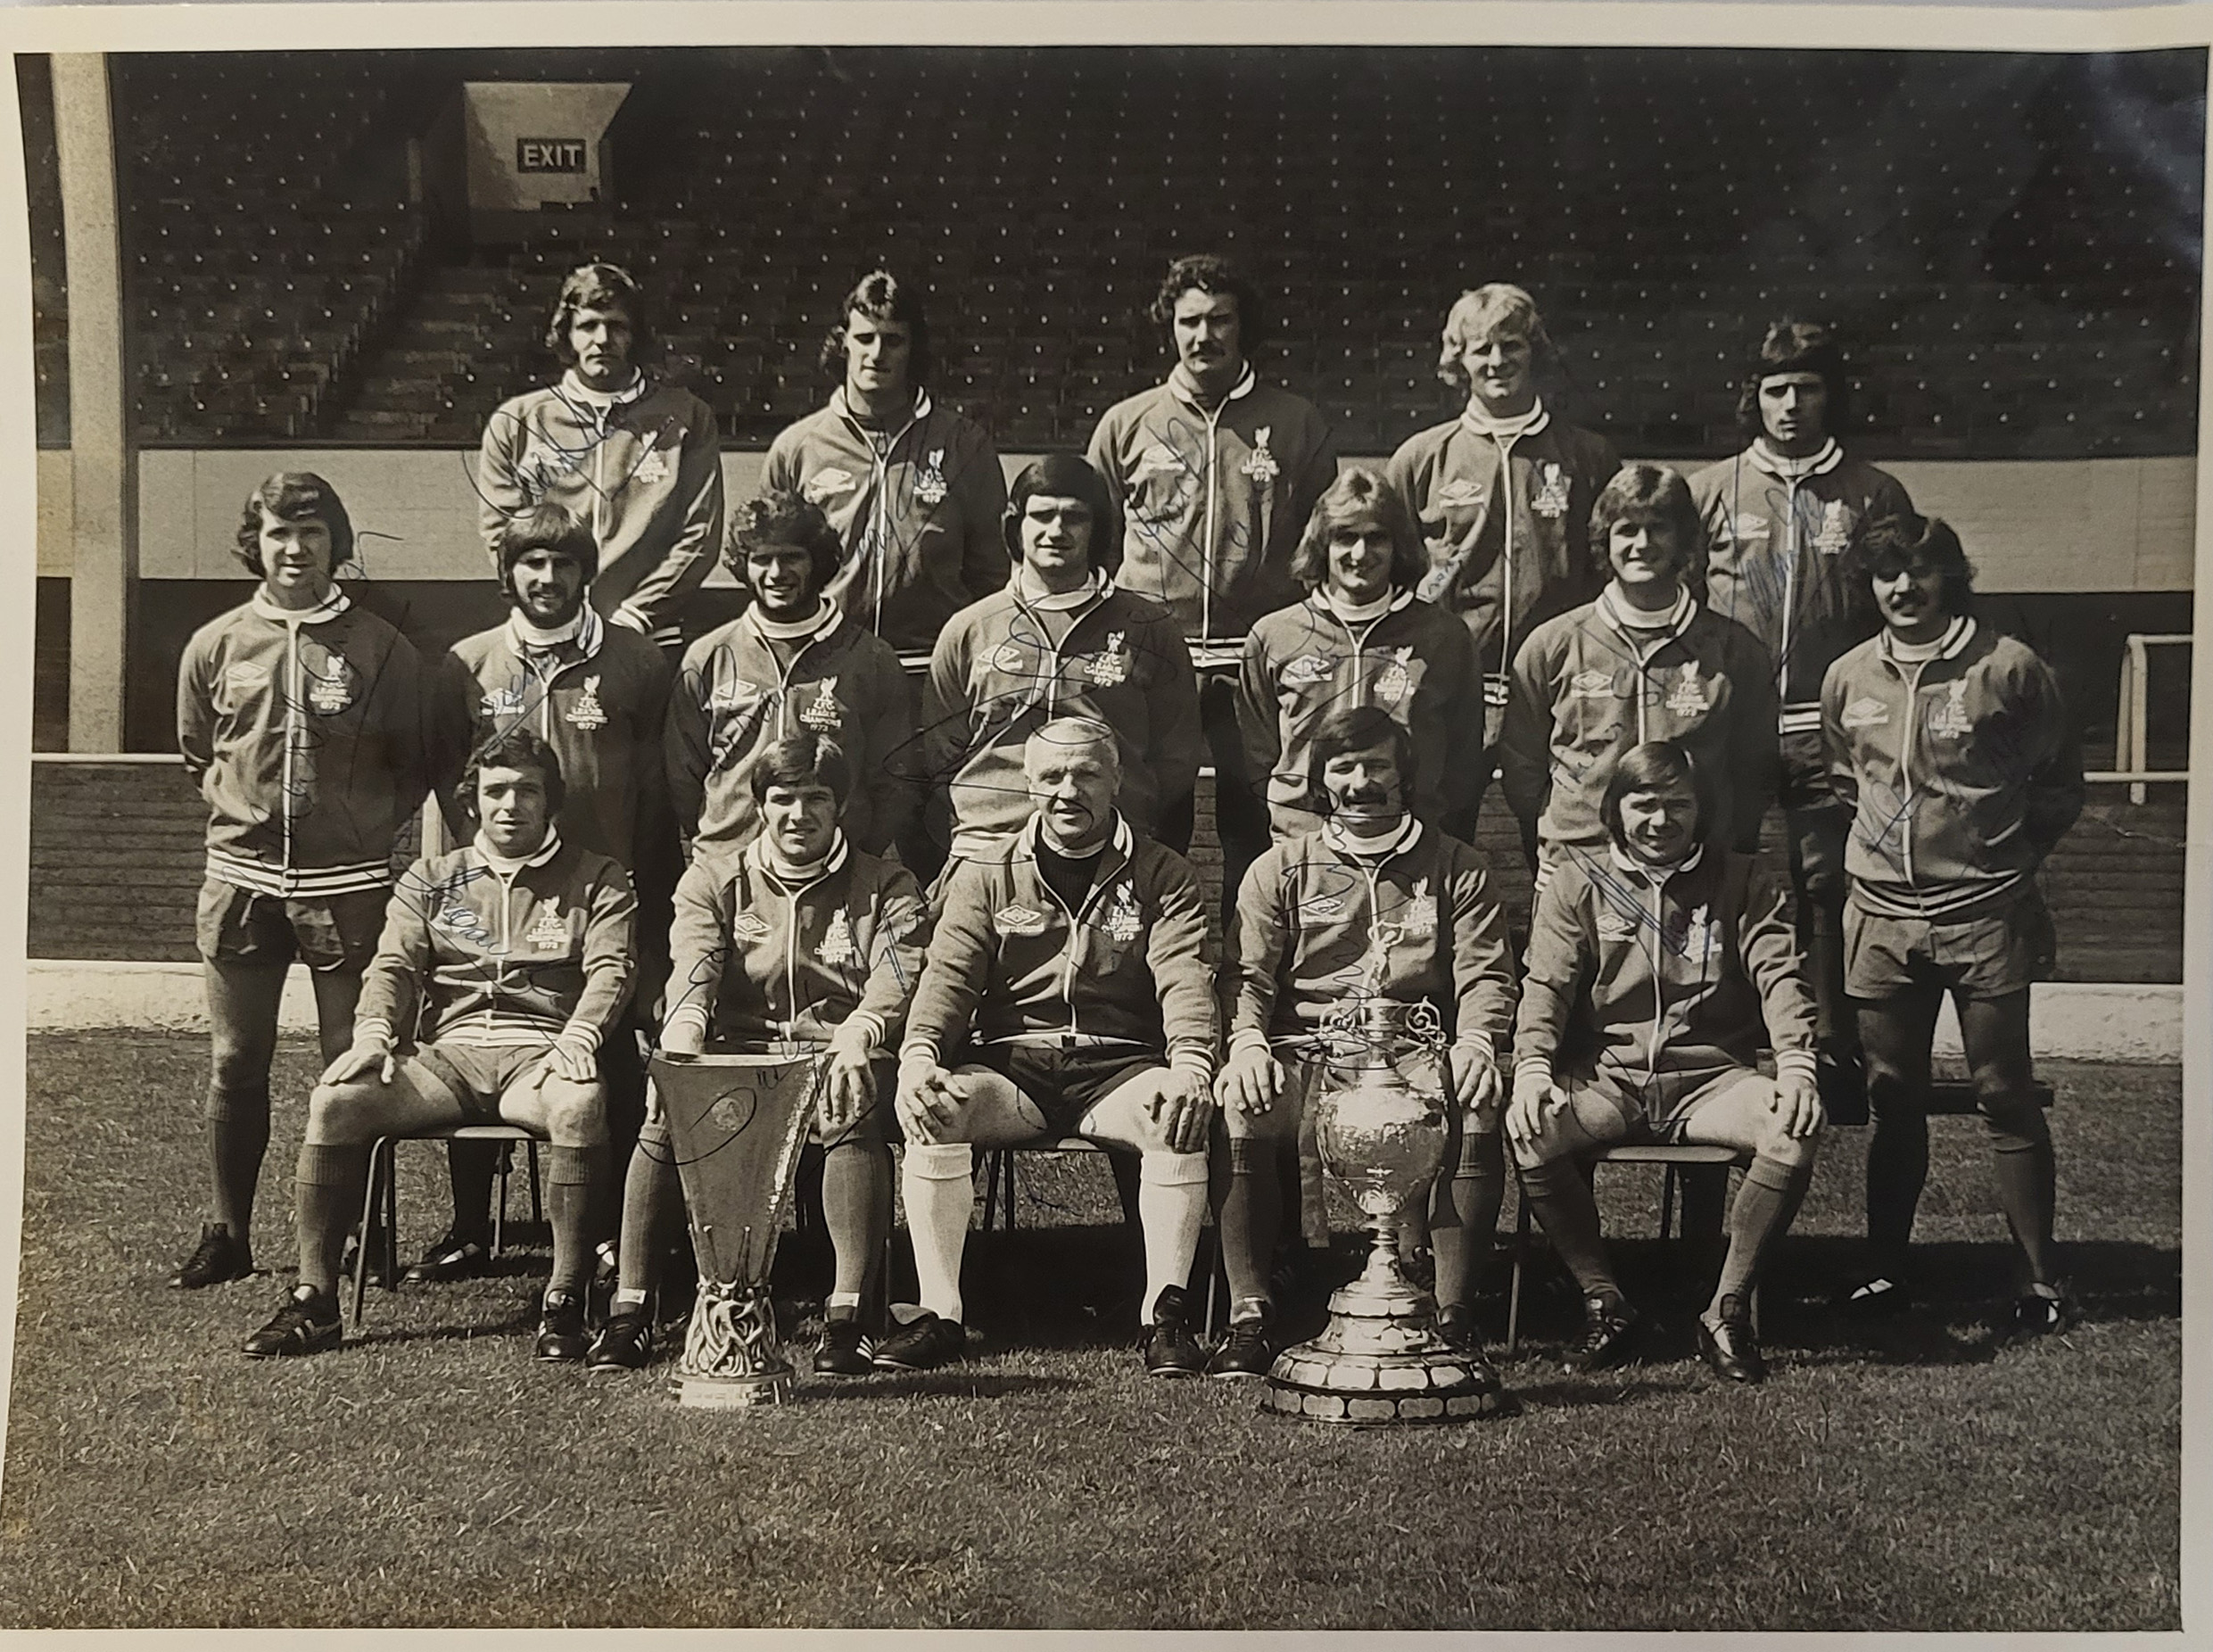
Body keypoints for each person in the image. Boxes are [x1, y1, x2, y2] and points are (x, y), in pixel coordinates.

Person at [242, 730, 635, 1360]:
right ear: (472, 802)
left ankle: (566, 1298)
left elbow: (612, 970)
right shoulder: (432, 879)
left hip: (538, 1054)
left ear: (550, 802)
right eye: (496, 791)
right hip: (448, 1057)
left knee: (579, 1103)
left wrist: (581, 1035)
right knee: (336, 1100)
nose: (511, 805)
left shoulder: (597, 876)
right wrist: (373, 1032)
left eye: (527, 791)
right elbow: (393, 966)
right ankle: (315, 1301)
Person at [887, 719, 1218, 1375]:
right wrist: (919, 1055)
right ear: (1028, 785)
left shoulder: (1162, 872)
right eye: (1052, 777)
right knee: (939, 1110)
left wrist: (1190, 1064)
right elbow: (949, 975)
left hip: (1118, 1063)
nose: (1069, 792)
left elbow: (1185, 977)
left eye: (1087, 774)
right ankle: (940, 1316)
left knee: (1173, 1117)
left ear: (1116, 780)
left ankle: (1164, 1317)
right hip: (1016, 1062)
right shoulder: (985, 874)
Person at [594, 731, 930, 1375]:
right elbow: (694, 970)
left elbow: (896, 979)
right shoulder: (714, 879)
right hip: (739, 1054)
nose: (798, 815)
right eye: (782, 800)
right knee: (666, 1108)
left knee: (851, 1103)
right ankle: (629, 1310)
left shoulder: (887, 883)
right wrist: (681, 1049)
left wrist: (860, 1035)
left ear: (841, 807)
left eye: (815, 799)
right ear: (760, 806)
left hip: (839, 1051)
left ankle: (847, 1317)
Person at [1821, 515, 2084, 1334]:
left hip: (1983, 910)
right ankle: (1886, 1270)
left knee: (2002, 1091)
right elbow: (1844, 781)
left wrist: (2003, 861)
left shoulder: (2006, 668)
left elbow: (2057, 781)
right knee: (1890, 1093)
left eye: (1919, 571)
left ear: (1950, 576)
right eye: (1886, 575)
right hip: (1882, 915)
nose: (1903, 589)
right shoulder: (1847, 676)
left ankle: (2038, 1280)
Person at [170, 472, 425, 1289]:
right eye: (279, 532)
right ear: (258, 542)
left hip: (345, 885)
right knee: (235, 1058)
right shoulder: (215, 643)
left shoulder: (381, 646)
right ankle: (228, 1231)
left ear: (334, 544)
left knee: (349, 1065)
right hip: (241, 881)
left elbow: (411, 764)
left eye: (311, 533)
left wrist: (355, 834)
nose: (294, 549)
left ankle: (355, 1238)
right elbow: (197, 754)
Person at [1213, 706, 1515, 1387]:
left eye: (1375, 767)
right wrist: (1246, 1044)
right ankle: (1248, 1313)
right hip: (1308, 1042)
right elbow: (1248, 976)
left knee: (1475, 1101)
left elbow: (1486, 974)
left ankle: (1450, 1314)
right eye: (1343, 768)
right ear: (1321, 781)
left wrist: (1474, 1041)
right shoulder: (1280, 867)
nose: (1359, 783)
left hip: (1413, 1042)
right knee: (1242, 1105)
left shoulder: (1456, 866)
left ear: (1405, 778)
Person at [1507, 740, 1825, 1384]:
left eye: (1676, 804)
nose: (1659, 820)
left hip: (1710, 1080)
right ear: (1614, 809)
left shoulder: (1742, 879)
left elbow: (1781, 978)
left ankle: (1725, 1309)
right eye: (1642, 804)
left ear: (1700, 809)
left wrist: (1795, 1065)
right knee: (1533, 1129)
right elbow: (1545, 984)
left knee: (1789, 1128)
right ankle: (1605, 1300)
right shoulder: (1577, 880)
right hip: (1611, 1077)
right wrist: (1533, 1068)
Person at [413, 501, 673, 1287]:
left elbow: (660, 796)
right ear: (508, 575)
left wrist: (649, 909)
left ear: (586, 574)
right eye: (532, 564)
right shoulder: (466, 664)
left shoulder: (635, 663)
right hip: (497, 899)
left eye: (563, 565)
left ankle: (604, 1234)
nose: (548, 578)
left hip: (601, 900)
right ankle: (469, 1226)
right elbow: (447, 779)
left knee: (610, 1058)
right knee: (470, 1035)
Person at [1690, 321, 1917, 1111]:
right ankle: (1723, 1025)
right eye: (1775, 389)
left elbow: (1900, 603)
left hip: (1834, 718)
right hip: (1733, 721)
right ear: (1752, 398)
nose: (1790, 405)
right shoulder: (1712, 489)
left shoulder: (1872, 491)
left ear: (1832, 394)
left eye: (1807, 388)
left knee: (1825, 880)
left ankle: (1832, 1038)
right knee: (1723, 870)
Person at [1086, 253, 1338, 873]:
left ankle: (1244, 956)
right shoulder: (1126, 423)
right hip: (1154, 653)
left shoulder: (1296, 421)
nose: (1204, 336)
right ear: (1169, 327)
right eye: (1189, 321)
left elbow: (1320, 546)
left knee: (1252, 818)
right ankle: (1142, 955)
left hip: (1255, 655)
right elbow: (1098, 541)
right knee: (1147, 811)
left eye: (1220, 320)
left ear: (1242, 326)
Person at [1383, 284, 1621, 827]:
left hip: (1560, 682)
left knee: (1560, 834)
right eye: (1480, 348)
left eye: (1510, 345)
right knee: (1438, 831)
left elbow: (1610, 568)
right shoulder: (1423, 457)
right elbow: (1391, 571)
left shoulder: (1587, 455)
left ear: (1533, 350)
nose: (1496, 361)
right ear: (1457, 360)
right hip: (1451, 679)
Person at [1499, 463, 1779, 883]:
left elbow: (1752, 770)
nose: (1642, 544)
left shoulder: (1734, 649)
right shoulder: (1553, 643)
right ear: (1604, 540)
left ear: (1683, 539)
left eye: (1658, 528)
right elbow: (1522, 766)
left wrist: (1718, 844)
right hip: (1580, 869)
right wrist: (1564, 830)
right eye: (1627, 530)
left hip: (1695, 872)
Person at [921, 454, 1203, 865]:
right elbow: (939, 754)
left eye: (1074, 517)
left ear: (1098, 529)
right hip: (991, 843)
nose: (1056, 531)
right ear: (1016, 528)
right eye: (1042, 515)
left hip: (1109, 840)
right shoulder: (970, 628)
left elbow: (1175, 756)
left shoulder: (1149, 627)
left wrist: (1129, 817)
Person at [475, 260, 725, 654]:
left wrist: (637, 615)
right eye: (588, 325)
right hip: (549, 632)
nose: (602, 339)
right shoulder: (516, 422)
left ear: (635, 335)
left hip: (650, 634)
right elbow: (502, 535)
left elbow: (700, 536)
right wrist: (555, 610)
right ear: (567, 334)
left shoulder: (687, 417)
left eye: (617, 326)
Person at [763, 268, 1009, 652]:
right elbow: (769, 562)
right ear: (843, 344)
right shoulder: (797, 447)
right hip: (827, 660)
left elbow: (992, 572)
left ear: (914, 349)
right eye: (865, 338)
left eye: (893, 341)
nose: (877, 354)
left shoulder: (966, 444)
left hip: (930, 661)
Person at [666, 491, 918, 867]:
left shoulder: (870, 658)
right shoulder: (709, 655)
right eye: (761, 560)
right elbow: (684, 779)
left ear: (816, 562)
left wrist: (854, 854)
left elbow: (895, 781)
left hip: (835, 871)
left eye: (791, 558)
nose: (776, 574)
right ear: (743, 565)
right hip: (729, 866)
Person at [1237, 468, 1485, 846]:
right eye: (1345, 538)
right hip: (1304, 846)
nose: (1360, 554)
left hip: (1411, 844)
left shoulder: (1443, 637)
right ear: (1322, 545)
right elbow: (1259, 755)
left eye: (1376, 539)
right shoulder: (1276, 635)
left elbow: (1463, 760)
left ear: (1398, 546)